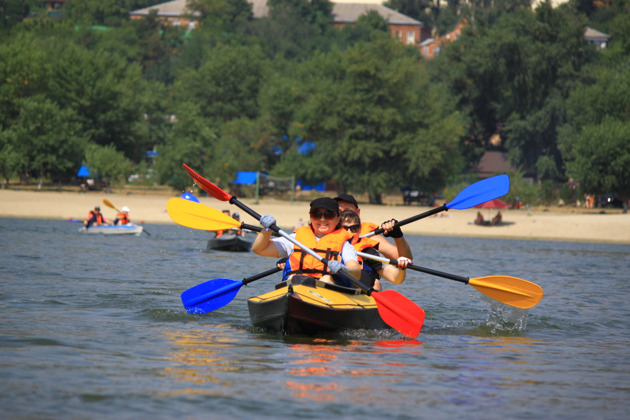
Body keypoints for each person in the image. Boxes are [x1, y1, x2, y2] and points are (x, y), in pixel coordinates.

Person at [252, 197, 361, 287]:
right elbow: (260, 249)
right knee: (293, 278)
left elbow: (356, 272)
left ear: (337, 218)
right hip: (297, 287)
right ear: (310, 217)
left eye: (329, 215)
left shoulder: (344, 245)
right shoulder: (295, 238)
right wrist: (267, 230)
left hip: (328, 290)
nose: (322, 219)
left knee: (326, 278)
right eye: (316, 214)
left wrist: (344, 269)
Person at [340, 210, 412, 291]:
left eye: (354, 228)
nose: (349, 232)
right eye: (344, 228)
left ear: (359, 230)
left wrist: (401, 269)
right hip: (332, 292)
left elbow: (396, 279)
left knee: (374, 282)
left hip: (358, 295)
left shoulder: (368, 252)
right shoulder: (326, 245)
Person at [334, 193, 413, 261]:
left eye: (348, 211)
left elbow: (405, 258)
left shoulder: (369, 236)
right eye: (339, 211)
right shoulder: (327, 231)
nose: (343, 215)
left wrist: (398, 236)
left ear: (357, 213)